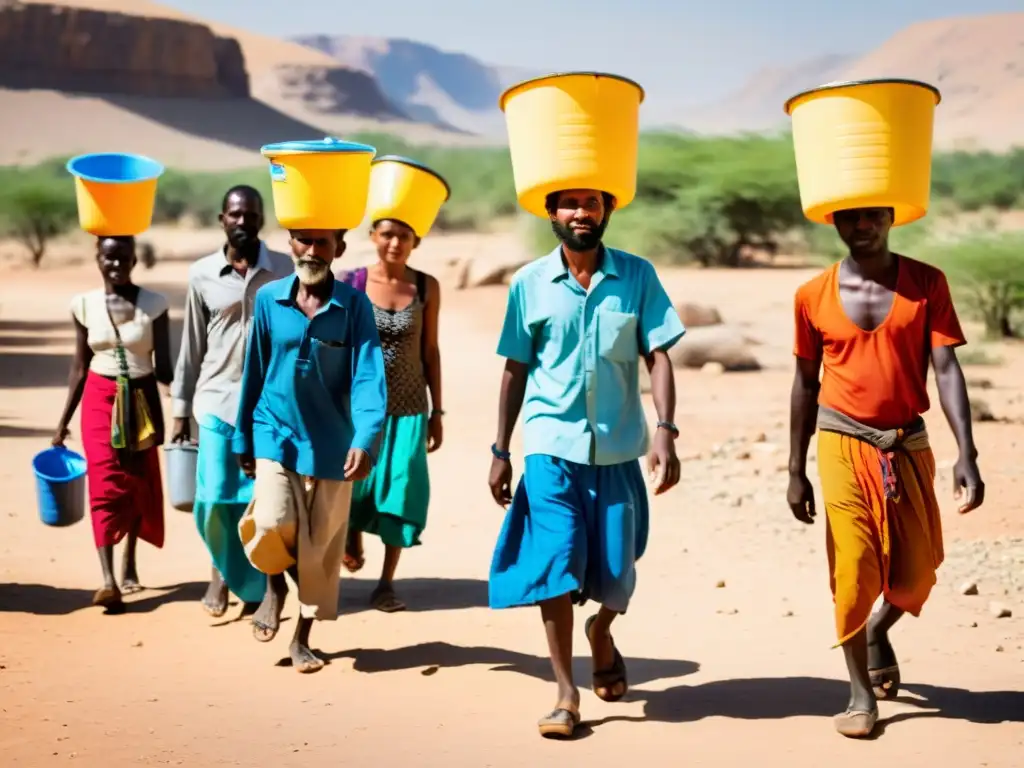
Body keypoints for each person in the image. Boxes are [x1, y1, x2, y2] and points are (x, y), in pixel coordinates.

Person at [487, 188, 686, 738]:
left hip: (618, 445)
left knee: (618, 570)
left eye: (591, 204)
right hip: (550, 444)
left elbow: (659, 354)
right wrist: (501, 450)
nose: (581, 214)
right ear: (552, 214)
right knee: (557, 558)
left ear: (607, 212)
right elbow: (515, 369)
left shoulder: (637, 276)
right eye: (569, 205)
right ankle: (566, 692)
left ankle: (602, 630)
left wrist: (665, 431)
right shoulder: (529, 283)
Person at [787, 206, 984, 738]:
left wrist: (967, 451)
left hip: (905, 440)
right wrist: (795, 468)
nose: (862, 226)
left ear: (891, 217)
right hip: (841, 440)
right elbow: (806, 383)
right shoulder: (812, 295)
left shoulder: (926, 283)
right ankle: (857, 693)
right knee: (853, 566)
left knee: (918, 571)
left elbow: (946, 367)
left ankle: (880, 630)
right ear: (835, 223)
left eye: (873, 216)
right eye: (850, 218)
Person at [233, 227, 387, 673]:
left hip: (332, 442)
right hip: (274, 429)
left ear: (338, 249)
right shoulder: (268, 299)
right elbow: (254, 370)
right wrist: (243, 436)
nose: (313, 250)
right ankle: (273, 586)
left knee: (318, 549)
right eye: (304, 240)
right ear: (290, 245)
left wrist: (364, 438)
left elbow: (368, 379)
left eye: (323, 243)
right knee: (271, 518)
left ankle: (302, 637)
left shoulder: (354, 306)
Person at [170, 185, 292, 618]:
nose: (243, 222)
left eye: (252, 215)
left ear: (262, 220)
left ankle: (252, 584)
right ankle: (220, 571)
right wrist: (180, 410)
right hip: (216, 401)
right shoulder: (201, 274)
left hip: (268, 407)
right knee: (213, 501)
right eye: (235, 215)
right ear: (222, 218)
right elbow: (191, 344)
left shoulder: (283, 269)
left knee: (258, 501)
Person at [53, 236, 173, 613]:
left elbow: (166, 367)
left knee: (136, 483)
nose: (117, 264)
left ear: (135, 258)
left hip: (141, 402)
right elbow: (78, 367)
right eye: (109, 257)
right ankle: (108, 581)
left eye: (124, 256)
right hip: (99, 401)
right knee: (104, 484)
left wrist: (184, 405)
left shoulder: (155, 304)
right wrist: (61, 424)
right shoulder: (83, 305)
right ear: (98, 259)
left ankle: (129, 561)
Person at [340, 221, 444, 614]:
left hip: (411, 407)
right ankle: (351, 534)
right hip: (359, 410)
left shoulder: (427, 286)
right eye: (387, 234)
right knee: (353, 487)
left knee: (400, 492)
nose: (395, 243)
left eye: (404, 236)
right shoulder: (351, 283)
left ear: (415, 241)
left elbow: (430, 349)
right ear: (372, 238)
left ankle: (385, 582)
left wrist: (438, 411)